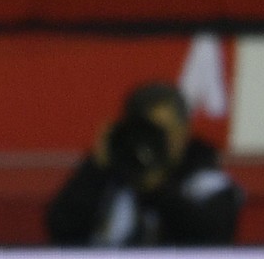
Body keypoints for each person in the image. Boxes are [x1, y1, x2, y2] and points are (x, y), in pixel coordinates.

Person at [45, 81, 243, 246]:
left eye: (164, 131)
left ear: (185, 131)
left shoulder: (208, 184)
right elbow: (61, 230)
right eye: (148, 132)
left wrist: (157, 189)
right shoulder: (110, 178)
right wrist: (95, 168)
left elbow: (212, 238)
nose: (155, 142)